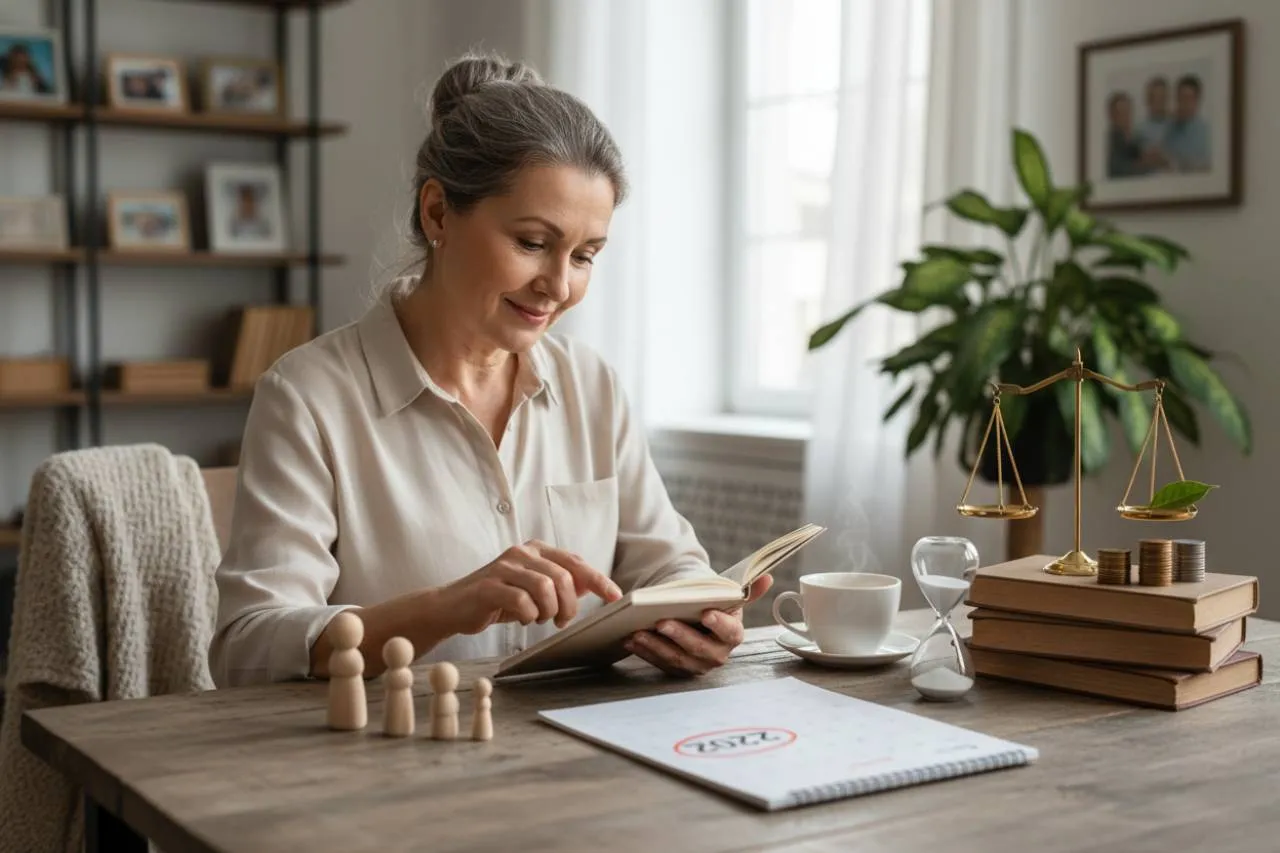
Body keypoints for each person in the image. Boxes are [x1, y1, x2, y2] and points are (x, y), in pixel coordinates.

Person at [207, 52, 771, 688]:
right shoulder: (308, 395)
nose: (558, 286)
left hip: (580, 759)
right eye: (532, 243)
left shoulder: (592, 385)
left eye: (585, 256)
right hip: (393, 759)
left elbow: (667, 563)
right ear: (438, 214)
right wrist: (448, 607)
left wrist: (698, 618)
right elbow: (248, 648)